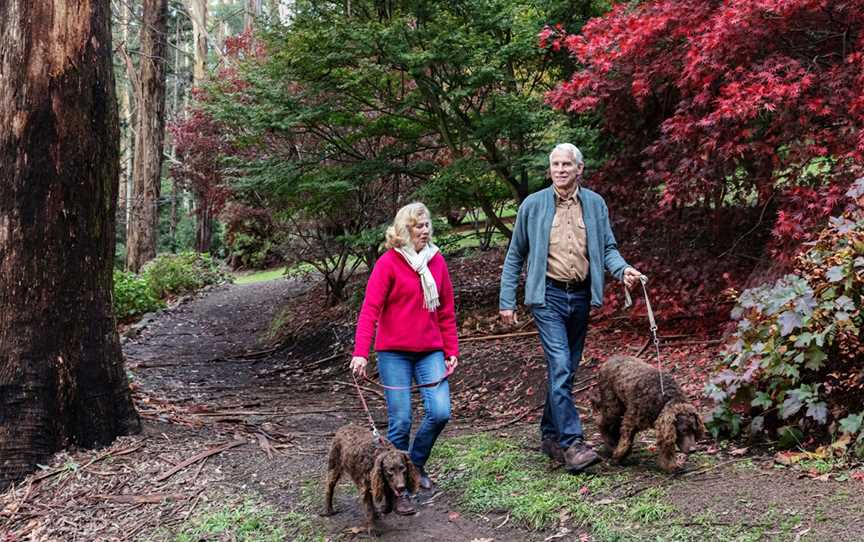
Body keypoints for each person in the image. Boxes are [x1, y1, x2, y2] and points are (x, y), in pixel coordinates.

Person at [499, 143, 643, 473]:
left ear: (579, 169)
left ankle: (550, 435)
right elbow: (515, 255)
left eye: (567, 164)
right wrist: (507, 301)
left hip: (579, 296)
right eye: (555, 164)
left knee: (566, 369)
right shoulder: (532, 206)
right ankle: (572, 443)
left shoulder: (594, 204)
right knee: (561, 365)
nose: (560, 169)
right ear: (549, 169)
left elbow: (607, 248)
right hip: (546, 296)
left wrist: (624, 271)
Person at [351, 202, 459, 513]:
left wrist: (451, 350)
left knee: (440, 412)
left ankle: (414, 466)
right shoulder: (388, 263)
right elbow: (369, 310)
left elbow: (446, 312)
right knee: (401, 419)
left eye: (427, 225)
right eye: (418, 226)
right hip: (393, 352)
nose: (425, 230)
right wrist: (360, 353)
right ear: (404, 231)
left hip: (430, 350)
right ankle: (397, 492)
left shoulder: (436, 262)